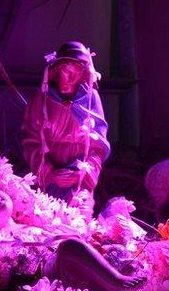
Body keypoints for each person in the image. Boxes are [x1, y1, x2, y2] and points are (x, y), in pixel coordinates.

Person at [21, 41, 110, 202]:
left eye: (74, 73)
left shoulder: (90, 99)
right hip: (47, 181)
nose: (67, 79)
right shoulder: (42, 99)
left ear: (83, 74)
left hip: (79, 184)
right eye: (64, 71)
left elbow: (98, 146)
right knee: (45, 219)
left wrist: (83, 172)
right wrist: (49, 172)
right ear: (55, 71)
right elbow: (30, 140)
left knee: (78, 220)